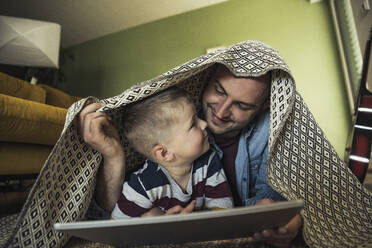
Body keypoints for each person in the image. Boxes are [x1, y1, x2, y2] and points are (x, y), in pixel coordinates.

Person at [78, 64, 302, 247]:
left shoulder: (211, 159)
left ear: (263, 107)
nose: (220, 113)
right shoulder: (146, 178)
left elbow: (226, 213)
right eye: (220, 91)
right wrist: (150, 225)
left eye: (242, 105)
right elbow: (115, 227)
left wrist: (276, 219)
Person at [110, 87, 233, 218]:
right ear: (164, 153)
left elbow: (223, 213)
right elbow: (116, 227)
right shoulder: (142, 186)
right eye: (193, 124)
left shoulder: (208, 162)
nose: (204, 124)